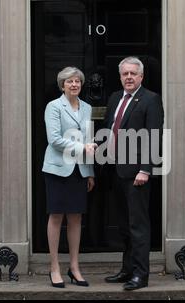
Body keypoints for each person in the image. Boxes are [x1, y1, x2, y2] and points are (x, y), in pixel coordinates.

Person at [103, 57, 164, 290]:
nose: (129, 77)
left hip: (137, 174)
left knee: (138, 226)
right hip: (115, 171)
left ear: (141, 76)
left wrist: (146, 169)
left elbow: (154, 137)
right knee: (123, 226)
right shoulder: (115, 98)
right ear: (120, 76)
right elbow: (110, 131)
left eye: (133, 74)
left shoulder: (150, 99)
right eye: (125, 74)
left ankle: (141, 274)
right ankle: (127, 270)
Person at [42, 66, 97, 288]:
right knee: (56, 217)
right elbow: (54, 139)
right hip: (58, 169)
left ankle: (74, 268)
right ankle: (54, 267)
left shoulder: (87, 108)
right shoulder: (54, 107)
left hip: (80, 171)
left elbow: (90, 141)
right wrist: (82, 147)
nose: (74, 85)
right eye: (69, 82)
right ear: (62, 85)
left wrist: (90, 172)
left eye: (77, 81)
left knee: (76, 218)